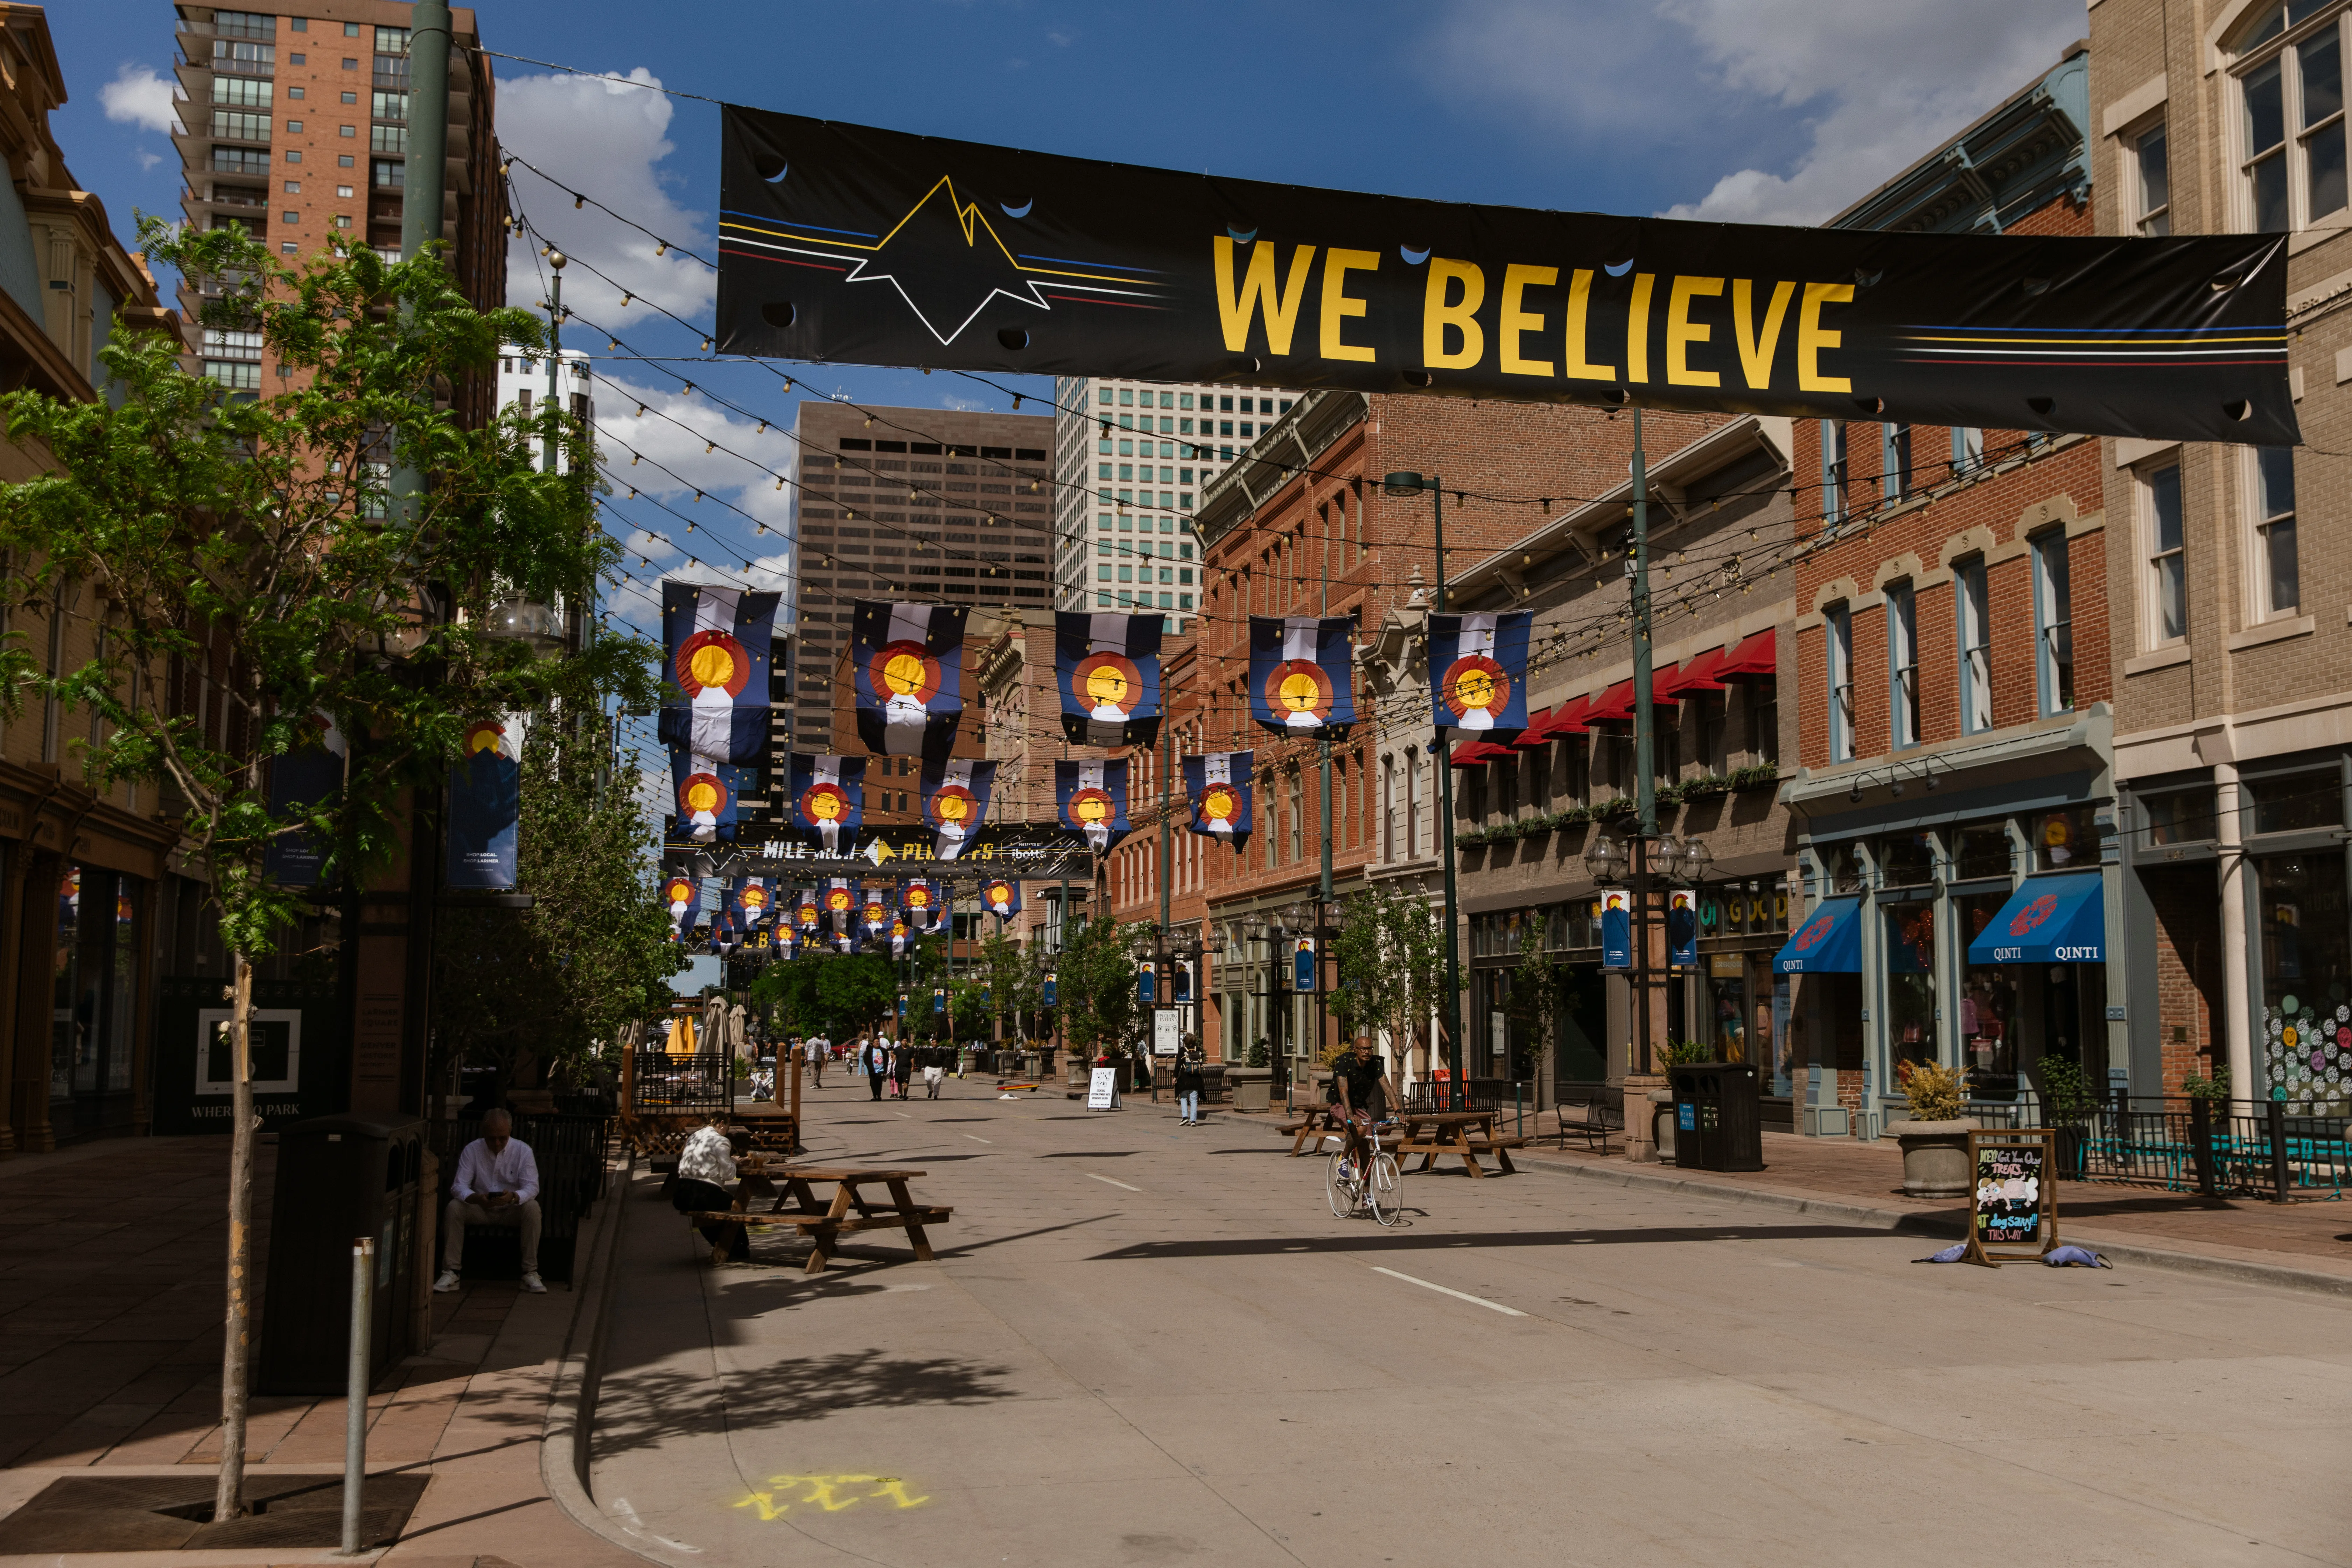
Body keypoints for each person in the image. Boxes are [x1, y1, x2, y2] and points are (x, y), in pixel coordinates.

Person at [436, 1107, 545, 1294]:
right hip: (480, 1209)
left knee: (533, 1208)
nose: (497, 1143)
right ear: (483, 1133)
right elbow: (459, 1186)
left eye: (502, 1138)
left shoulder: (523, 1151)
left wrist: (513, 1196)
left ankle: (530, 1272)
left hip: (511, 1210)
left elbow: (532, 1187)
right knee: (454, 1208)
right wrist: (476, 1198)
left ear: (510, 1132)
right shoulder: (473, 1150)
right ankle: (452, 1271)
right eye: (491, 1138)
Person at [671, 1120, 748, 1262]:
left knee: (709, 1212)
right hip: (703, 1194)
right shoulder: (721, 1141)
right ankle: (739, 1247)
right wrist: (734, 1163)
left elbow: (704, 1162)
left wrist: (727, 1161)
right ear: (722, 1124)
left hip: (682, 1194)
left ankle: (729, 1247)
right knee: (735, 1207)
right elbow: (729, 1175)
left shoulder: (694, 1137)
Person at [1332, 1035, 1398, 1176]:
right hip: (1341, 1106)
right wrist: (1350, 1115)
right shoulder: (1344, 1062)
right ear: (1355, 1050)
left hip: (1360, 1108)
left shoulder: (1375, 1064)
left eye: (1370, 1048)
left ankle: (1366, 1196)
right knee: (1360, 1129)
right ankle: (1343, 1158)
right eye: (1363, 1049)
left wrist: (1398, 1111)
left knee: (1365, 1153)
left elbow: (1386, 1086)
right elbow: (1343, 1089)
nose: (1367, 1052)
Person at [1173, 1045, 1204, 1126]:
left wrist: (1175, 1077)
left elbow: (1178, 1065)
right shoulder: (1198, 1050)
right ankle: (1193, 1121)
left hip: (1185, 1079)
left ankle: (1185, 1117)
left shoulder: (1182, 1050)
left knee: (1184, 1098)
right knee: (1194, 1100)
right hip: (1196, 1079)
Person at [863, 1032, 889, 1100]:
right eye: (875, 1042)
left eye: (878, 1042)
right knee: (873, 1083)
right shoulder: (870, 1051)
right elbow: (866, 1059)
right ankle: (874, 1096)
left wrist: (885, 1071)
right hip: (872, 1070)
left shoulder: (883, 1051)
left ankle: (879, 1096)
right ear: (873, 1043)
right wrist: (869, 1067)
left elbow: (886, 1060)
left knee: (879, 1083)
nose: (877, 1043)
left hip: (881, 1070)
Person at [890, 1035, 912, 1100]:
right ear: (901, 1042)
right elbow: (894, 1058)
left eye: (906, 1041)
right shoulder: (897, 1049)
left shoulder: (910, 1049)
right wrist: (892, 1066)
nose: (905, 1042)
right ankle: (901, 1095)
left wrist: (913, 1067)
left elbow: (912, 1058)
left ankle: (905, 1095)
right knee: (899, 1083)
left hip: (907, 1068)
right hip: (898, 1068)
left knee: (906, 1082)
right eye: (904, 1041)